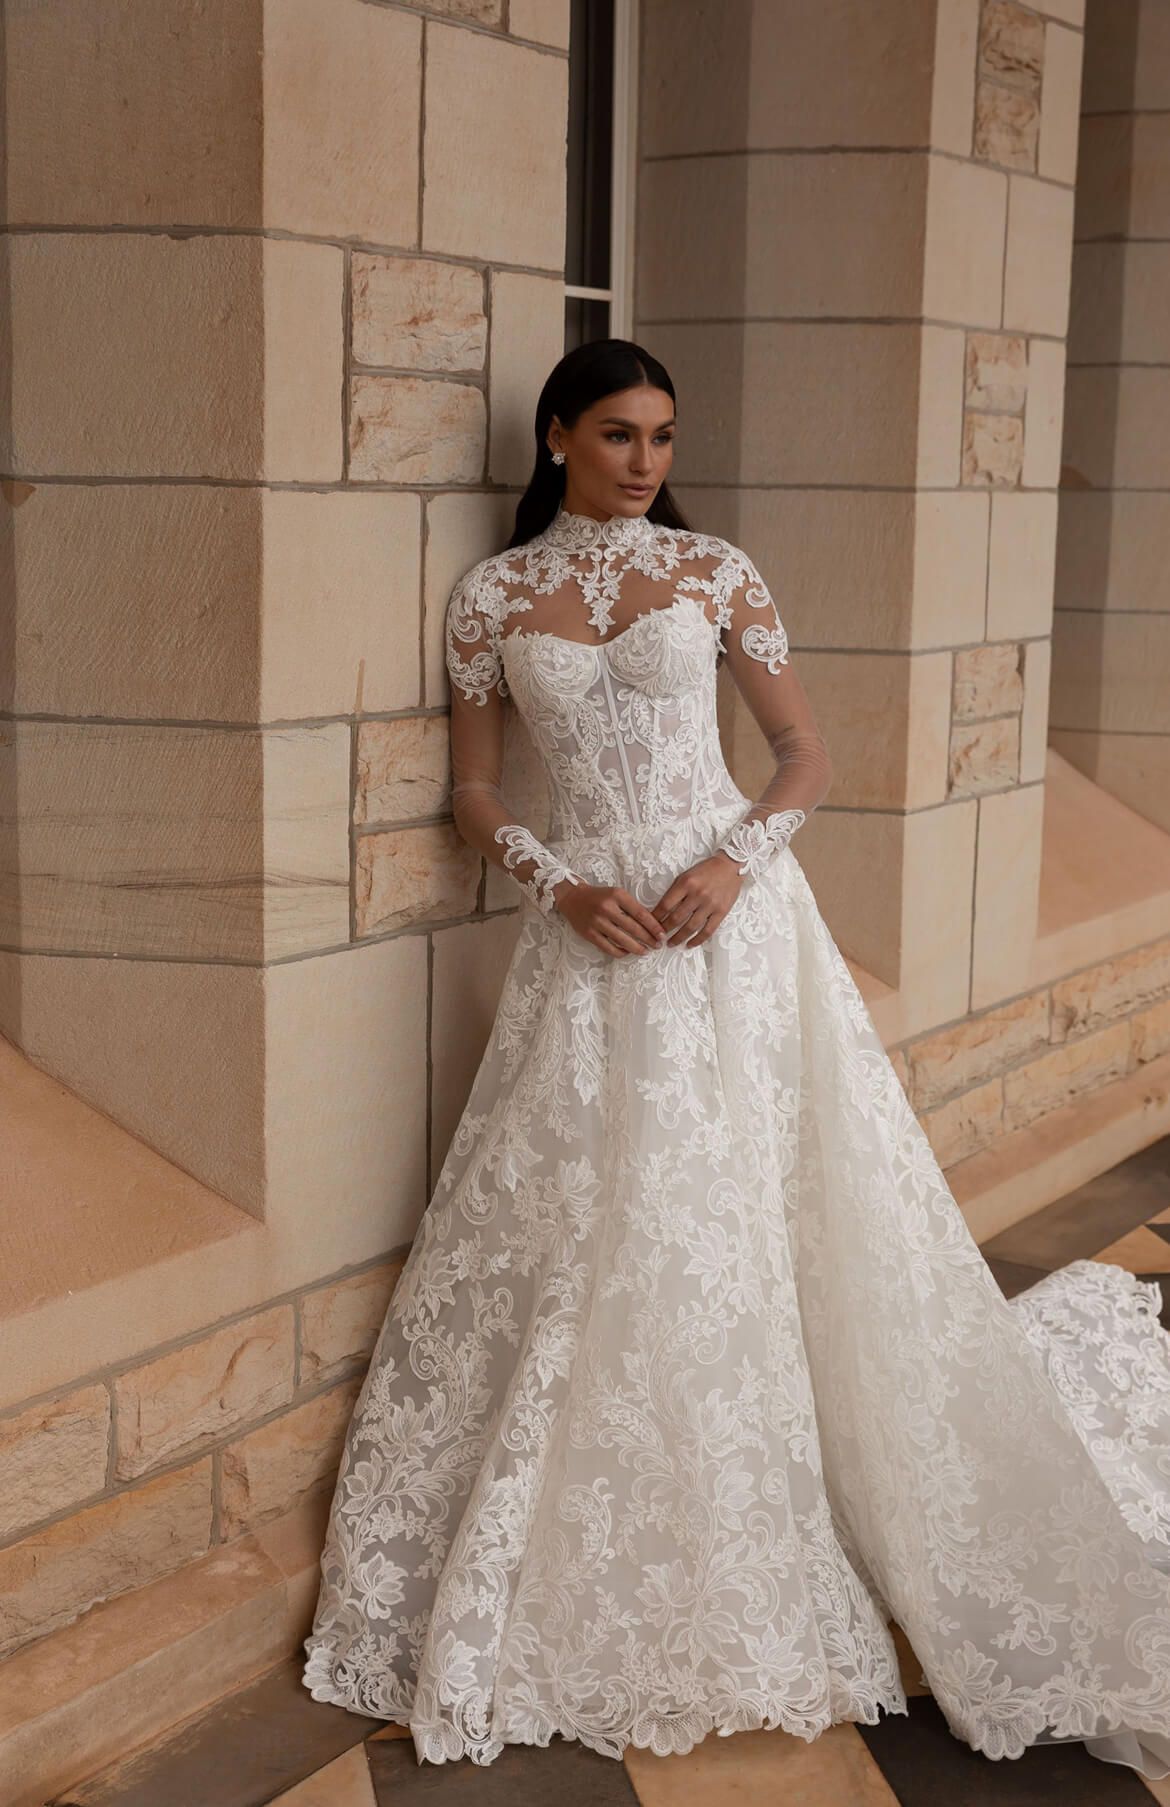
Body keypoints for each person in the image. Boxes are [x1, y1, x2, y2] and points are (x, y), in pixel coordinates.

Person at [303, 338, 1170, 1778]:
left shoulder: (717, 575)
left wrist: (731, 864)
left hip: (726, 928)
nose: (647, 462)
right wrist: (553, 879)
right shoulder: (493, 597)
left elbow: (802, 755)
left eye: (662, 437)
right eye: (620, 434)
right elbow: (467, 785)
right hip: (585, 938)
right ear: (559, 435)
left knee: (745, 1206)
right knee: (590, 1216)